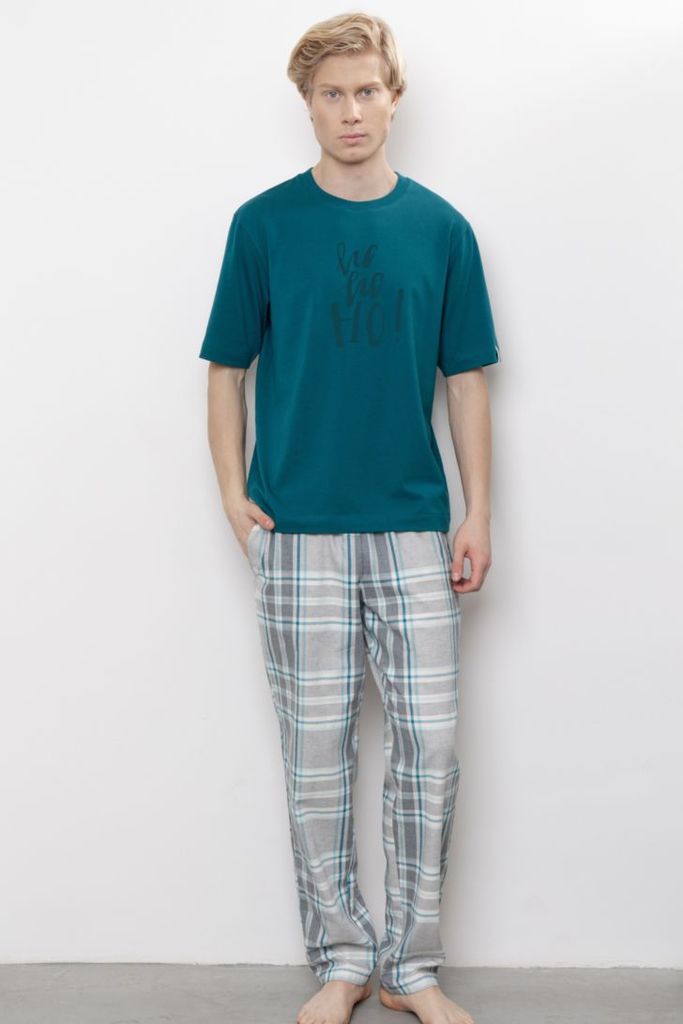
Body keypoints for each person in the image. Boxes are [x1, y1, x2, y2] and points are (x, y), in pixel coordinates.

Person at [198, 12, 501, 1024]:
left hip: (414, 527)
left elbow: (465, 380)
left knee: (429, 750)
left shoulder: (442, 229)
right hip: (296, 530)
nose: (350, 110)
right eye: (331, 94)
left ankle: (411, 969)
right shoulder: (263, 225)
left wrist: (477, 511)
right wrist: (232, 494)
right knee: (316, 755)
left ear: (393, 97)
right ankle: (341, 959)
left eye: (366, 90)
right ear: (307, 105)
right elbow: (225, 368)